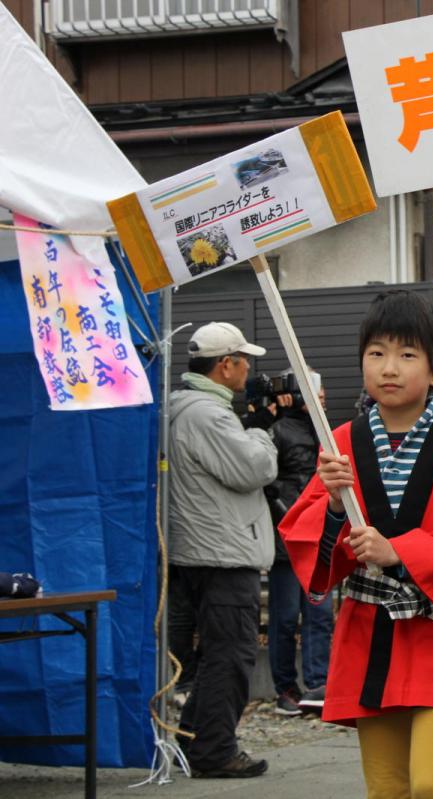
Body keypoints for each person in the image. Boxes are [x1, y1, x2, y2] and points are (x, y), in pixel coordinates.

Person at [278, 291, 433, 798]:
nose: (389, 368)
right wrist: (334, 505)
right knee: (385, 790)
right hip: (369, 632)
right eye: (376, 353)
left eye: (407, 354)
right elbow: (305, 536)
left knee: (431, 784)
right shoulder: (340, 443)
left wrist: (400, 550)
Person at [168, 321, 278, 778]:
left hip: (196, 550)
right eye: (244, 359)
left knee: (215, 655)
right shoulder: (208, 415)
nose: (249, 368)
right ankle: (214, 751)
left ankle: (195, 740)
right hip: (223, 553)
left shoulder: (181, 406)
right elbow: (255, 468)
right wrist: (261, 430)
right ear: (226, 365)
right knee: (230, 655)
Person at [266, 373, 334, 715]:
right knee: (285, 616)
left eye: (322, 392)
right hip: (288, 538)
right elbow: (267, 483)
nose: (321, 398)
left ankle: (318, 683)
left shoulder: (327, 432)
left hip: (321, 536)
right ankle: (285, 687)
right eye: (314, 392)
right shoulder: (277, 430)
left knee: (320, 614)